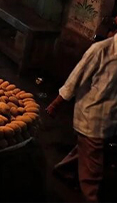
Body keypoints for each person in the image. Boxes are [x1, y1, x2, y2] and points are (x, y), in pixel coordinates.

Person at [46, 31, 117, 202]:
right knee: (93, 171)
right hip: (93, 117)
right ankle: (90, 196)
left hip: (110, 119)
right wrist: (57, 103)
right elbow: (75, 79)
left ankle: (63, 171)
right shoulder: (100, 50)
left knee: (88, 151)